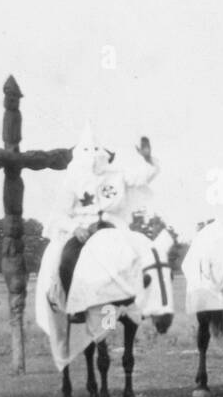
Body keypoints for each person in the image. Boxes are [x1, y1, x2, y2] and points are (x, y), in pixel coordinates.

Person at [51, 123, 159, 316]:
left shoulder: (116, 174)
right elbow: (60, 213)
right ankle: (73, 306)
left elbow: (142, 176)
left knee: (141, 251)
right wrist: (75, 228)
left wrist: (147, 159)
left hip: (113, 227)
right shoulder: (72, 180)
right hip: (84, 228)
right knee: (67, 258)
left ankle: (138, 299)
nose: (93, 160)